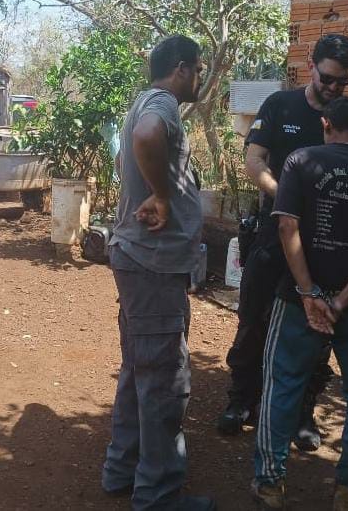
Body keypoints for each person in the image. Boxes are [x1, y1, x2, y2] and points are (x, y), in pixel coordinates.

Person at [252, 97, 348, 510]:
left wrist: (309, 293)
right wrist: (340, 302)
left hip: (297, 303)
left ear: (325, 126)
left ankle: (270, 485)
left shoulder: (300, 162)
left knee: (282, 385)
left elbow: (287, 226)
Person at [218, 34, 348, 452]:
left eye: (342, 82)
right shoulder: (280, 106)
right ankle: (241, 400)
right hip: (273, 232)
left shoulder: (347, 118)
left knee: (316, 327)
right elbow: (253, 160)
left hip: (324, 245)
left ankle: (303, 412)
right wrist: (286, 200)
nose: (333, 88)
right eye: (327, 78)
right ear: (311, 65)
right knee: (253, 319)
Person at [101, 34, 215, 511]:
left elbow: (131, 151)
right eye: (199, 70)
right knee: (164, 381)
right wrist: (163, 196)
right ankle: (158, 496)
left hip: (138, 259)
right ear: (182, 69)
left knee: (139, 369)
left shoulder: (143, 101)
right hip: (151, 263)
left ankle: (122, 470)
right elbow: (148, 137)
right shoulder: (162, 105)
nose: (201, 78)